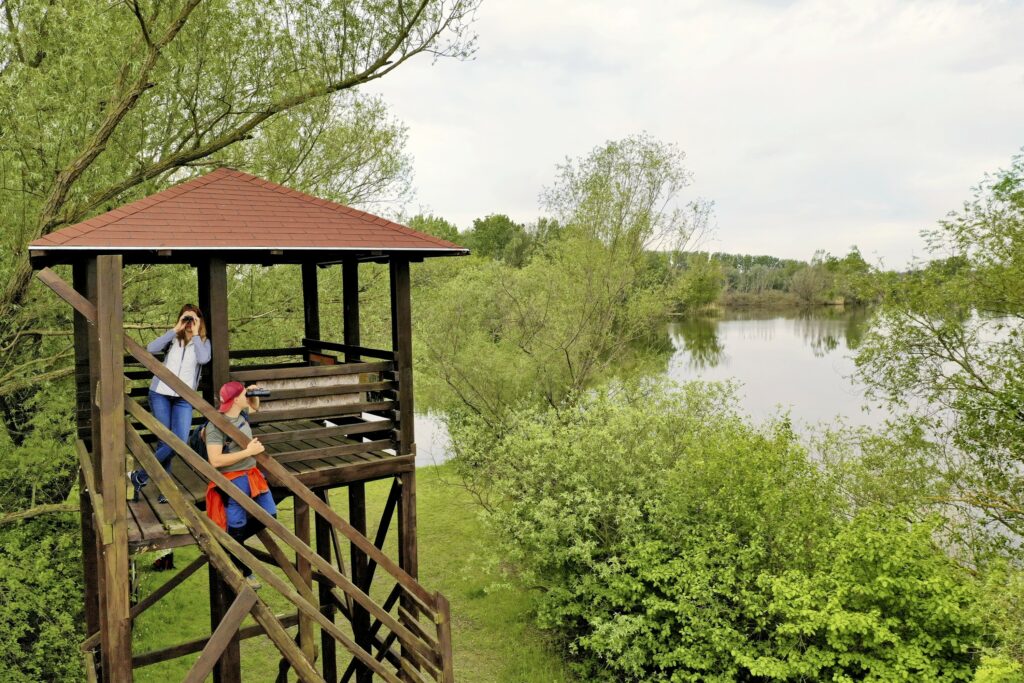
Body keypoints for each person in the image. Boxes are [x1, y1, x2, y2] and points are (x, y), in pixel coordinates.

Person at [130, 305, 211, 503]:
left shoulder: (203, 342)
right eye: (186, 318)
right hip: (160, 394)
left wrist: (196, 333)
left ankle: (140, 476)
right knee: (165, 441)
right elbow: (151, 349)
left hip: (184, 398)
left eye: (193, 319)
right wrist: (175, 329)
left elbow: (203, 359)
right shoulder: (173, 339)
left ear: (199, 321)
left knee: (179, 441)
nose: (189, 322)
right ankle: (165, 490)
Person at [204, 380, 276, 588]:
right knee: (237, 524)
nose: (248, 397)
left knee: (270, 515)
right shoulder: (215, 426)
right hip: (232, 479)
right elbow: (215, 460)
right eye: (244, 394)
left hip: (252, 475)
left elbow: (254, 407)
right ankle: (242, 567)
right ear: (236, 400)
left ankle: (230, 544)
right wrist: (248, 452)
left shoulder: (242, 414)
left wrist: (254, 392)